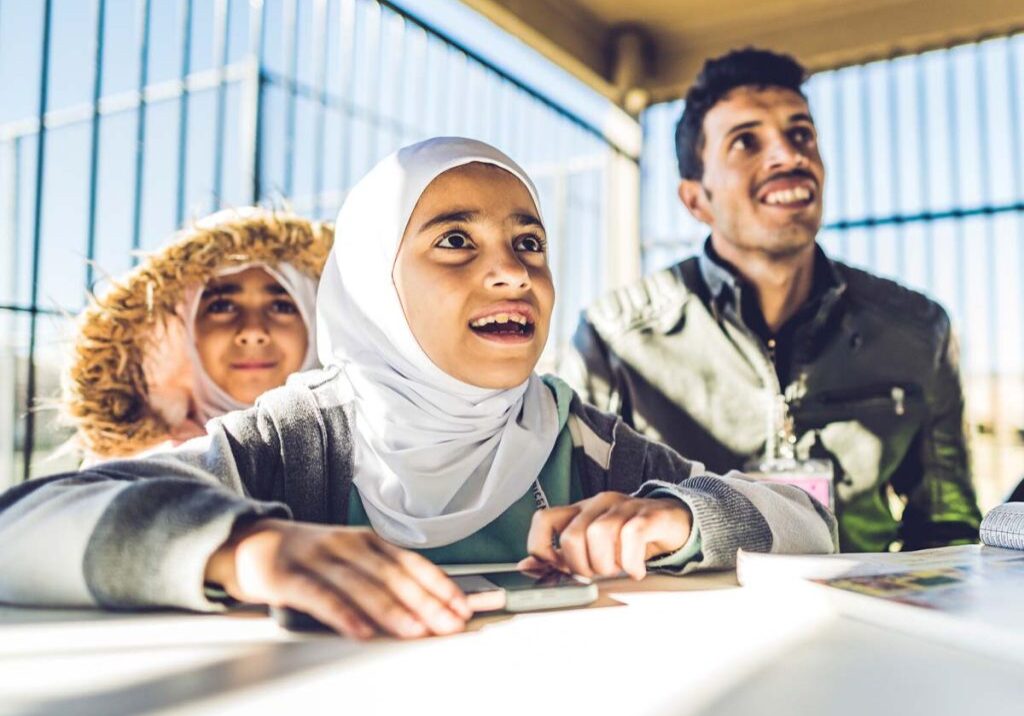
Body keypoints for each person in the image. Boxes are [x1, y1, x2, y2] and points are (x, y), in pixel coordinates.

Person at [0, 138, 836, 640]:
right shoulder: (293, 441)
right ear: (370, 289)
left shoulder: (578, 436)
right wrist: (242, 548)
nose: (510, 271)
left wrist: (683, 515)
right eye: (455, 242)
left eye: (529, 242)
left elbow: (809, 520)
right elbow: (20, 527)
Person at [563, 48, 981, 552]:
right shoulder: (616, 339)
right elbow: (572, 518)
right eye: (746, 142)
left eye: (800, 134)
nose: (788, 156)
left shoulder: (918, 330)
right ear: (696, 199)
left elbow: (949, 531)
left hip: (867, 617)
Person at [62, 208, 331, 460]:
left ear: (315, 322)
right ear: (188, 332)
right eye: (222, 306)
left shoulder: (364, 459)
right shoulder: (139, 462)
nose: (252, 332)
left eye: (281, 306)